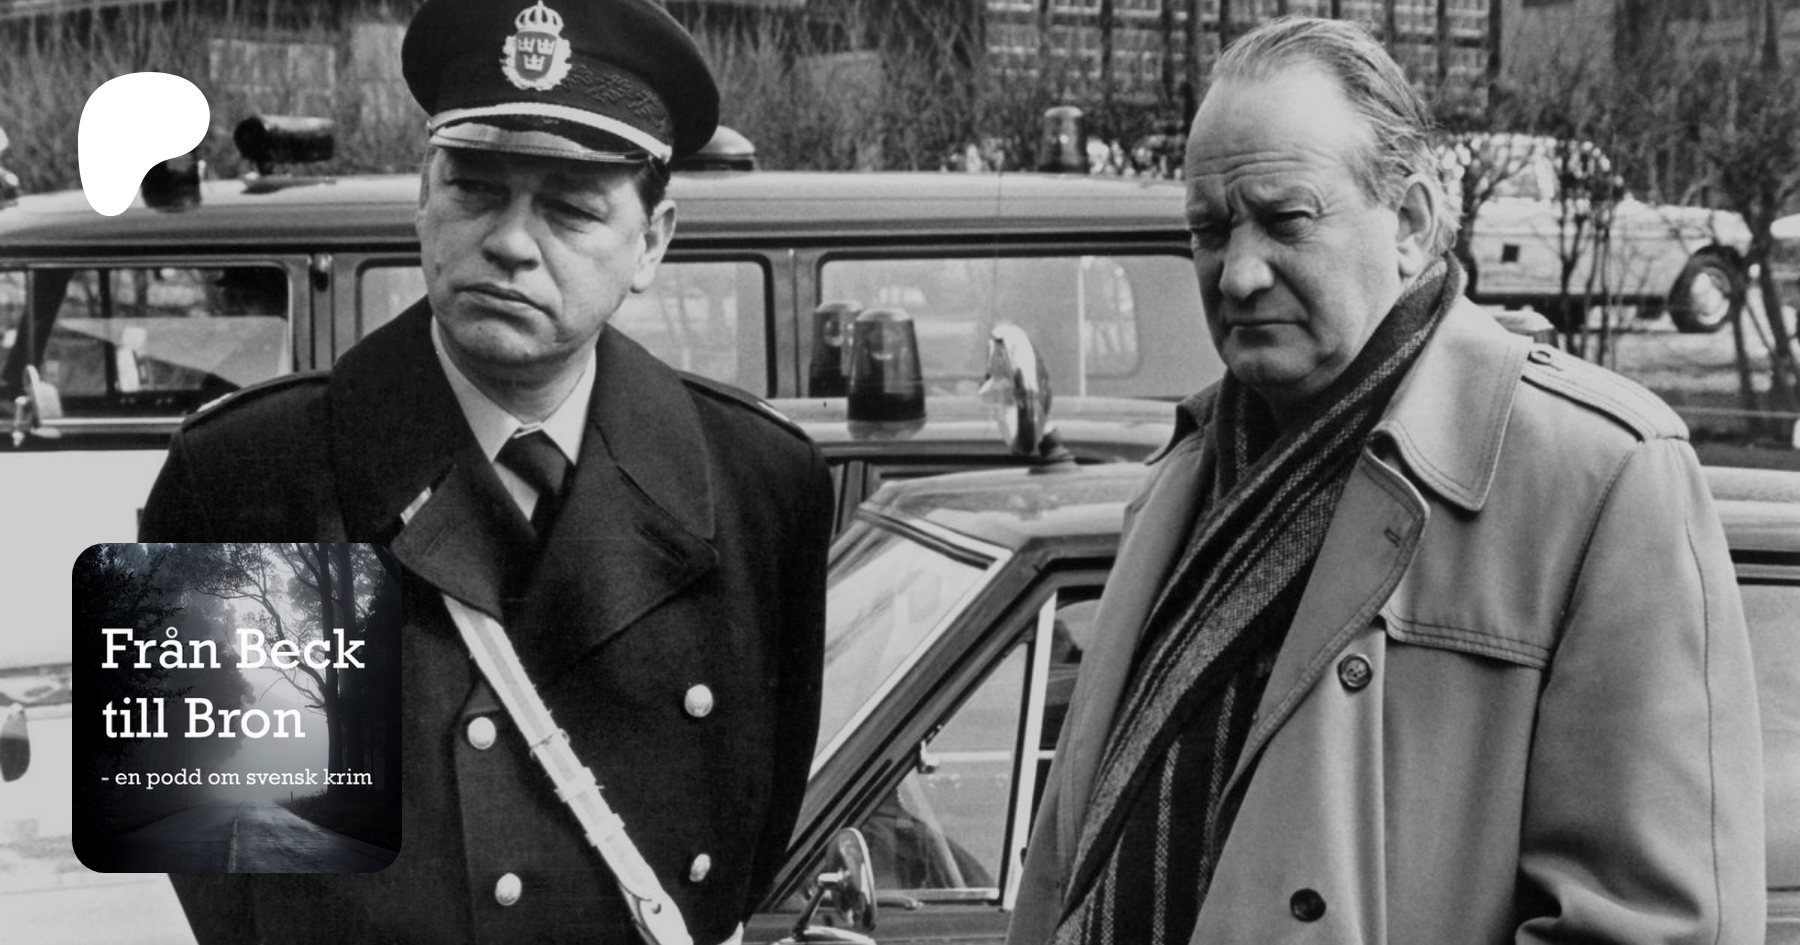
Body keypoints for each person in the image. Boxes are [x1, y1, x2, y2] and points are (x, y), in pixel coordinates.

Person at [1008, 16, 1765, 945]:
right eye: (1209, 230)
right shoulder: (1182, 474)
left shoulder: (1602, 475)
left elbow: (1653, 925)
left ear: (1409, 221)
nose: (1237, 274)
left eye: (1286, 220)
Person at [139, 0, 833, 942]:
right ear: (422, 200)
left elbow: (752, 840)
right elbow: (221, 877)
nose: (510, 240)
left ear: (653, 242)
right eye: (473, 188)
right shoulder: (244, 481)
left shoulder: (757, 483)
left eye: (570, 207)